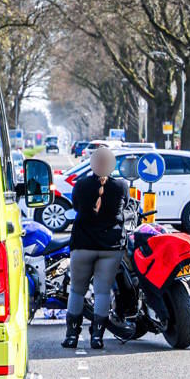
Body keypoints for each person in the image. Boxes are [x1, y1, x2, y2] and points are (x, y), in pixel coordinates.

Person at [62, 144, 127, 351]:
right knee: (102, 292)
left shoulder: (80, 185)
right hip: (111, 246)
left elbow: (76, 207)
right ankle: (97, 337)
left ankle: (72, 335)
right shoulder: (121, 186)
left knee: (77, 291)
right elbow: (125, 207)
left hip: (82, 244)